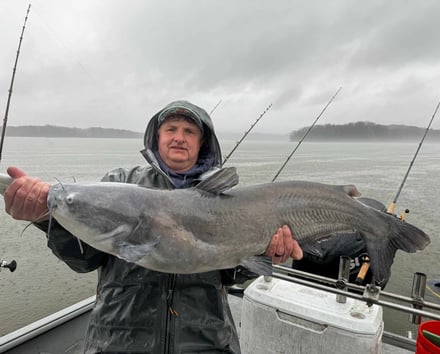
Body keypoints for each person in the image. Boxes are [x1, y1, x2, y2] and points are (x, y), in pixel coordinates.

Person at [4, 100, 303, 353]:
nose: (179, 137)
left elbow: (231, 275)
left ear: (202, 143)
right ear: (157, 138)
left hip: (205, 342)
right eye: (170, 129)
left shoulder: (226, 198)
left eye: (189, 132)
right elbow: (84, 260)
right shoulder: (119, 183)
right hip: (119, 340)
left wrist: (266, 254)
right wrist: (46, 218)